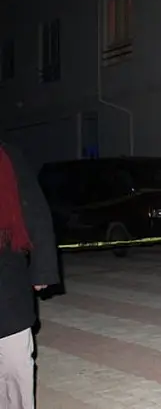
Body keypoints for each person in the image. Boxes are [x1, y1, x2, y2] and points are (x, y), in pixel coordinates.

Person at [0, 141, 60, 409]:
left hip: (6, 273)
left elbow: (36, 212)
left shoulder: (8, 156)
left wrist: (42, 269)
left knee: (15, 362)